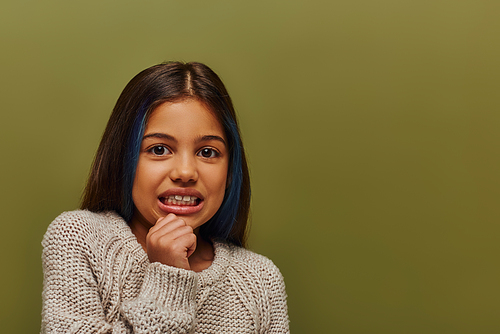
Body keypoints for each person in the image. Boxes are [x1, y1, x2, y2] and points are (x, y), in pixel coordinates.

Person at [41, 62, 290, 333]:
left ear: (230, 171)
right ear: (124, 159)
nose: (185, 172)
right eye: (159, 149)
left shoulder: (260, 279)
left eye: (207, 152)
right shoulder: (79, 238)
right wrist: (167, 279)